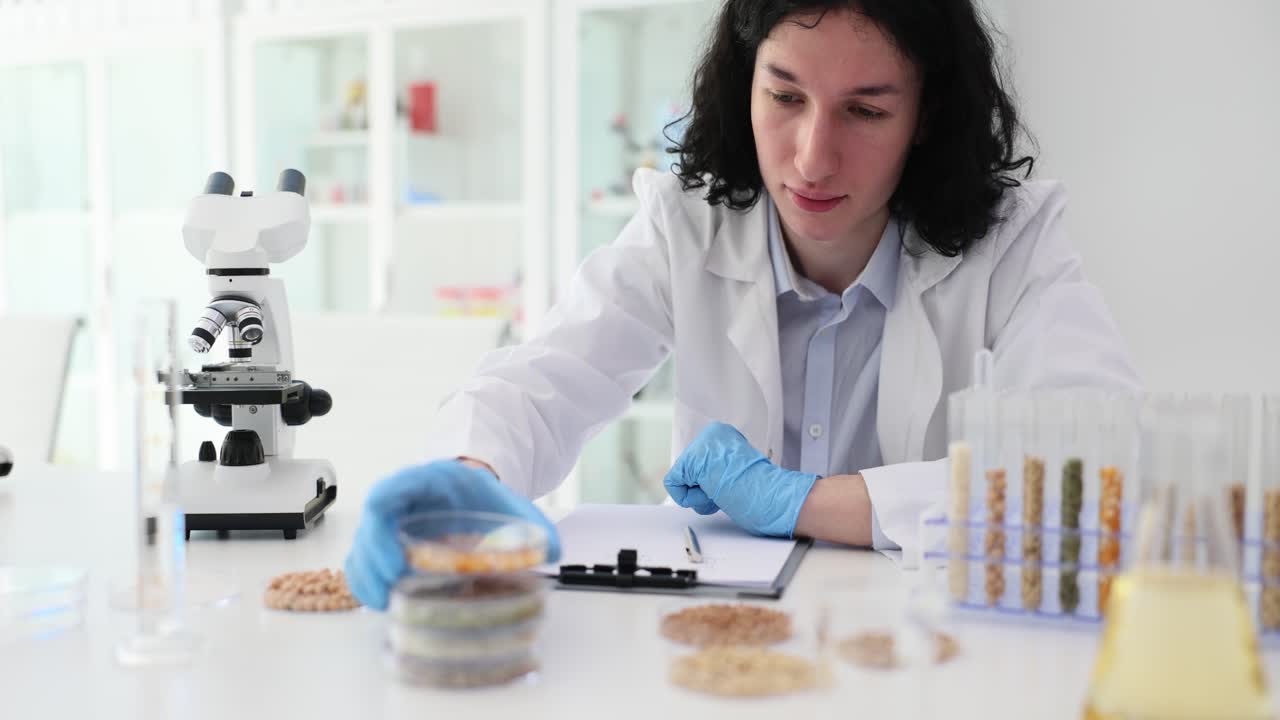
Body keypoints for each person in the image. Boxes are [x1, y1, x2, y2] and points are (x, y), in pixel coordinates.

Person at [345, 0, 1139, 609]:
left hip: (920, 651)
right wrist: (466, 473)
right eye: (785, 95)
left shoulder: (1013, 241)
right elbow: (542, 384)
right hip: (716, 650)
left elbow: (1105, 462)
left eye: (865, 110)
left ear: (926, 115)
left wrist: (811, 503)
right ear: (744, 78)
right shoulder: (685, 224)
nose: (812, 157)